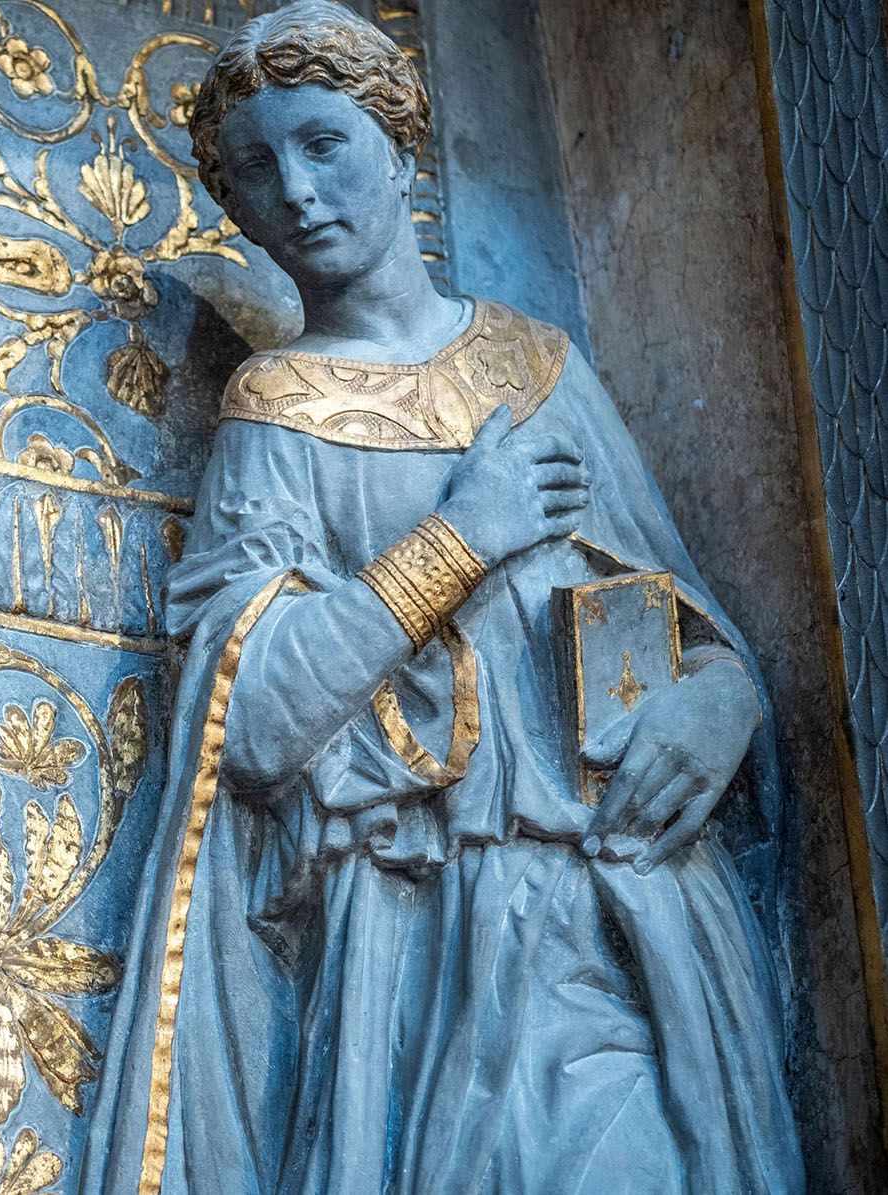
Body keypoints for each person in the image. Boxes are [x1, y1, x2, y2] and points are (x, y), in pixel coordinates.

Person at [79, 4, 805, 1192]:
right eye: (256, 170)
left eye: (322, 143)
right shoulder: (278, 412)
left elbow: (670, 611)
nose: (296, 192)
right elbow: (249, 715)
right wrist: (462, 534)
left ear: (398, 145)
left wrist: (722, 697)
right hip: (428, 927)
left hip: (630, 902)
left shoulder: (539, 366)